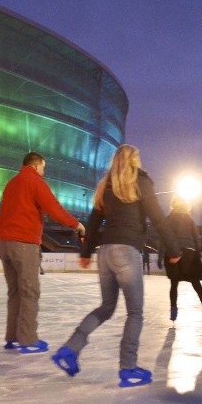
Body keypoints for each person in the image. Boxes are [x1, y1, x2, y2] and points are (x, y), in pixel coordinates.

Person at [51, 145, 180, 387]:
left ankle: (70, 348)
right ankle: (128, 368)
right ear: (134, 160)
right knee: (135, 313)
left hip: (106, 252)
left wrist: (86, 251)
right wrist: (174, 250)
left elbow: (93, 221)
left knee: (106, 307)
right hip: (126, 251)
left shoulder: (106, 186)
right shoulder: (141, 181)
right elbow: (158, 218)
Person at [0, 151, 85, 354]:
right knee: (29, 291)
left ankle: (12, 337)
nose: (44, 172)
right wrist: (76, 224)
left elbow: (2, 213)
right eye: (44, 168)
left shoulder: (12, 183)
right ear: (36, 166)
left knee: (15, 293)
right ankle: (27, 340)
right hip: (24, 243)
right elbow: (53, 208)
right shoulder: (34, 181)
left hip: (6, 243)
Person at [161, 197, 202, 327]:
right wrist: (197, 253)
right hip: (190, 253)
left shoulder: (169, 218)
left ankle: (173, 310)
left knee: (174, 284)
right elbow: (196, 237)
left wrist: (162, 255)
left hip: (174, 252)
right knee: (197, 286)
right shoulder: (189, 218)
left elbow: (164, 237)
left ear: (173, 205)